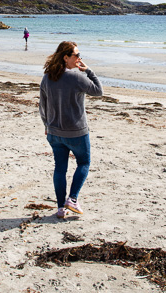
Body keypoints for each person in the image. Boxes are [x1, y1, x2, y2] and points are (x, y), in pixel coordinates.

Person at [39, 41, 103, 219]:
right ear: (65, 57)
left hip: (54, 132)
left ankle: (61, 208)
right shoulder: (77, 77)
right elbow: (99, 91)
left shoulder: (47, 77)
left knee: (60, 168)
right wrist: (88, 71)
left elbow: (42, 106)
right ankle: (72, 199)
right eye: (76, 55)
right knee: (84, 162)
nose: (79, 58)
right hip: (76, 132)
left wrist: (47, 125)